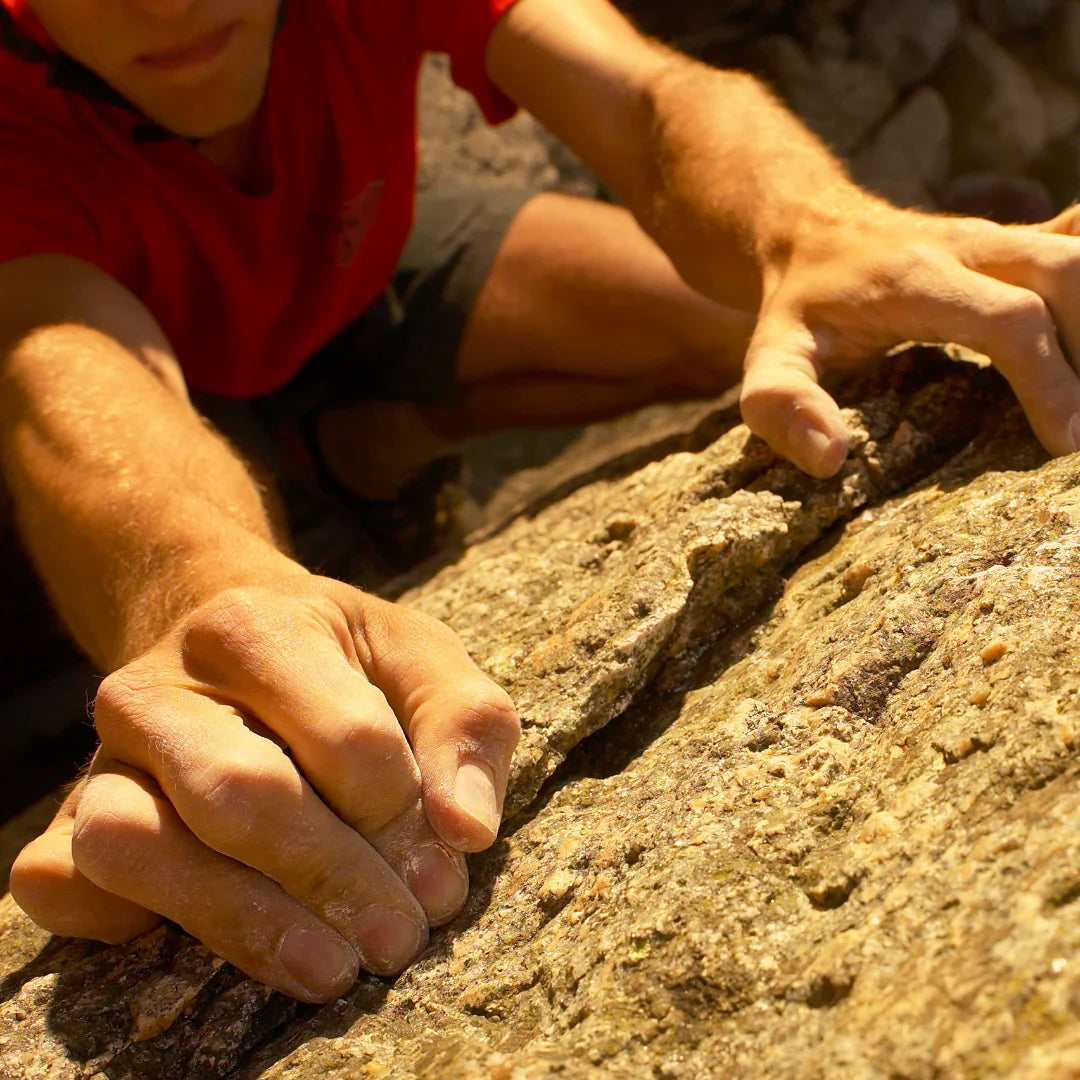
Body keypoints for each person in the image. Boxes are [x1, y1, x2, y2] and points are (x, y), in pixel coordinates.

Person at [3, 0, 1079, 1005]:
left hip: (351, 265)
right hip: (156, 323)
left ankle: (377, 438)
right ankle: (328, 442)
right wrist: (207, 595)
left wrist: (812, 228)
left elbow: (640, 98)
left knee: (777, 324)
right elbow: (63, 372)